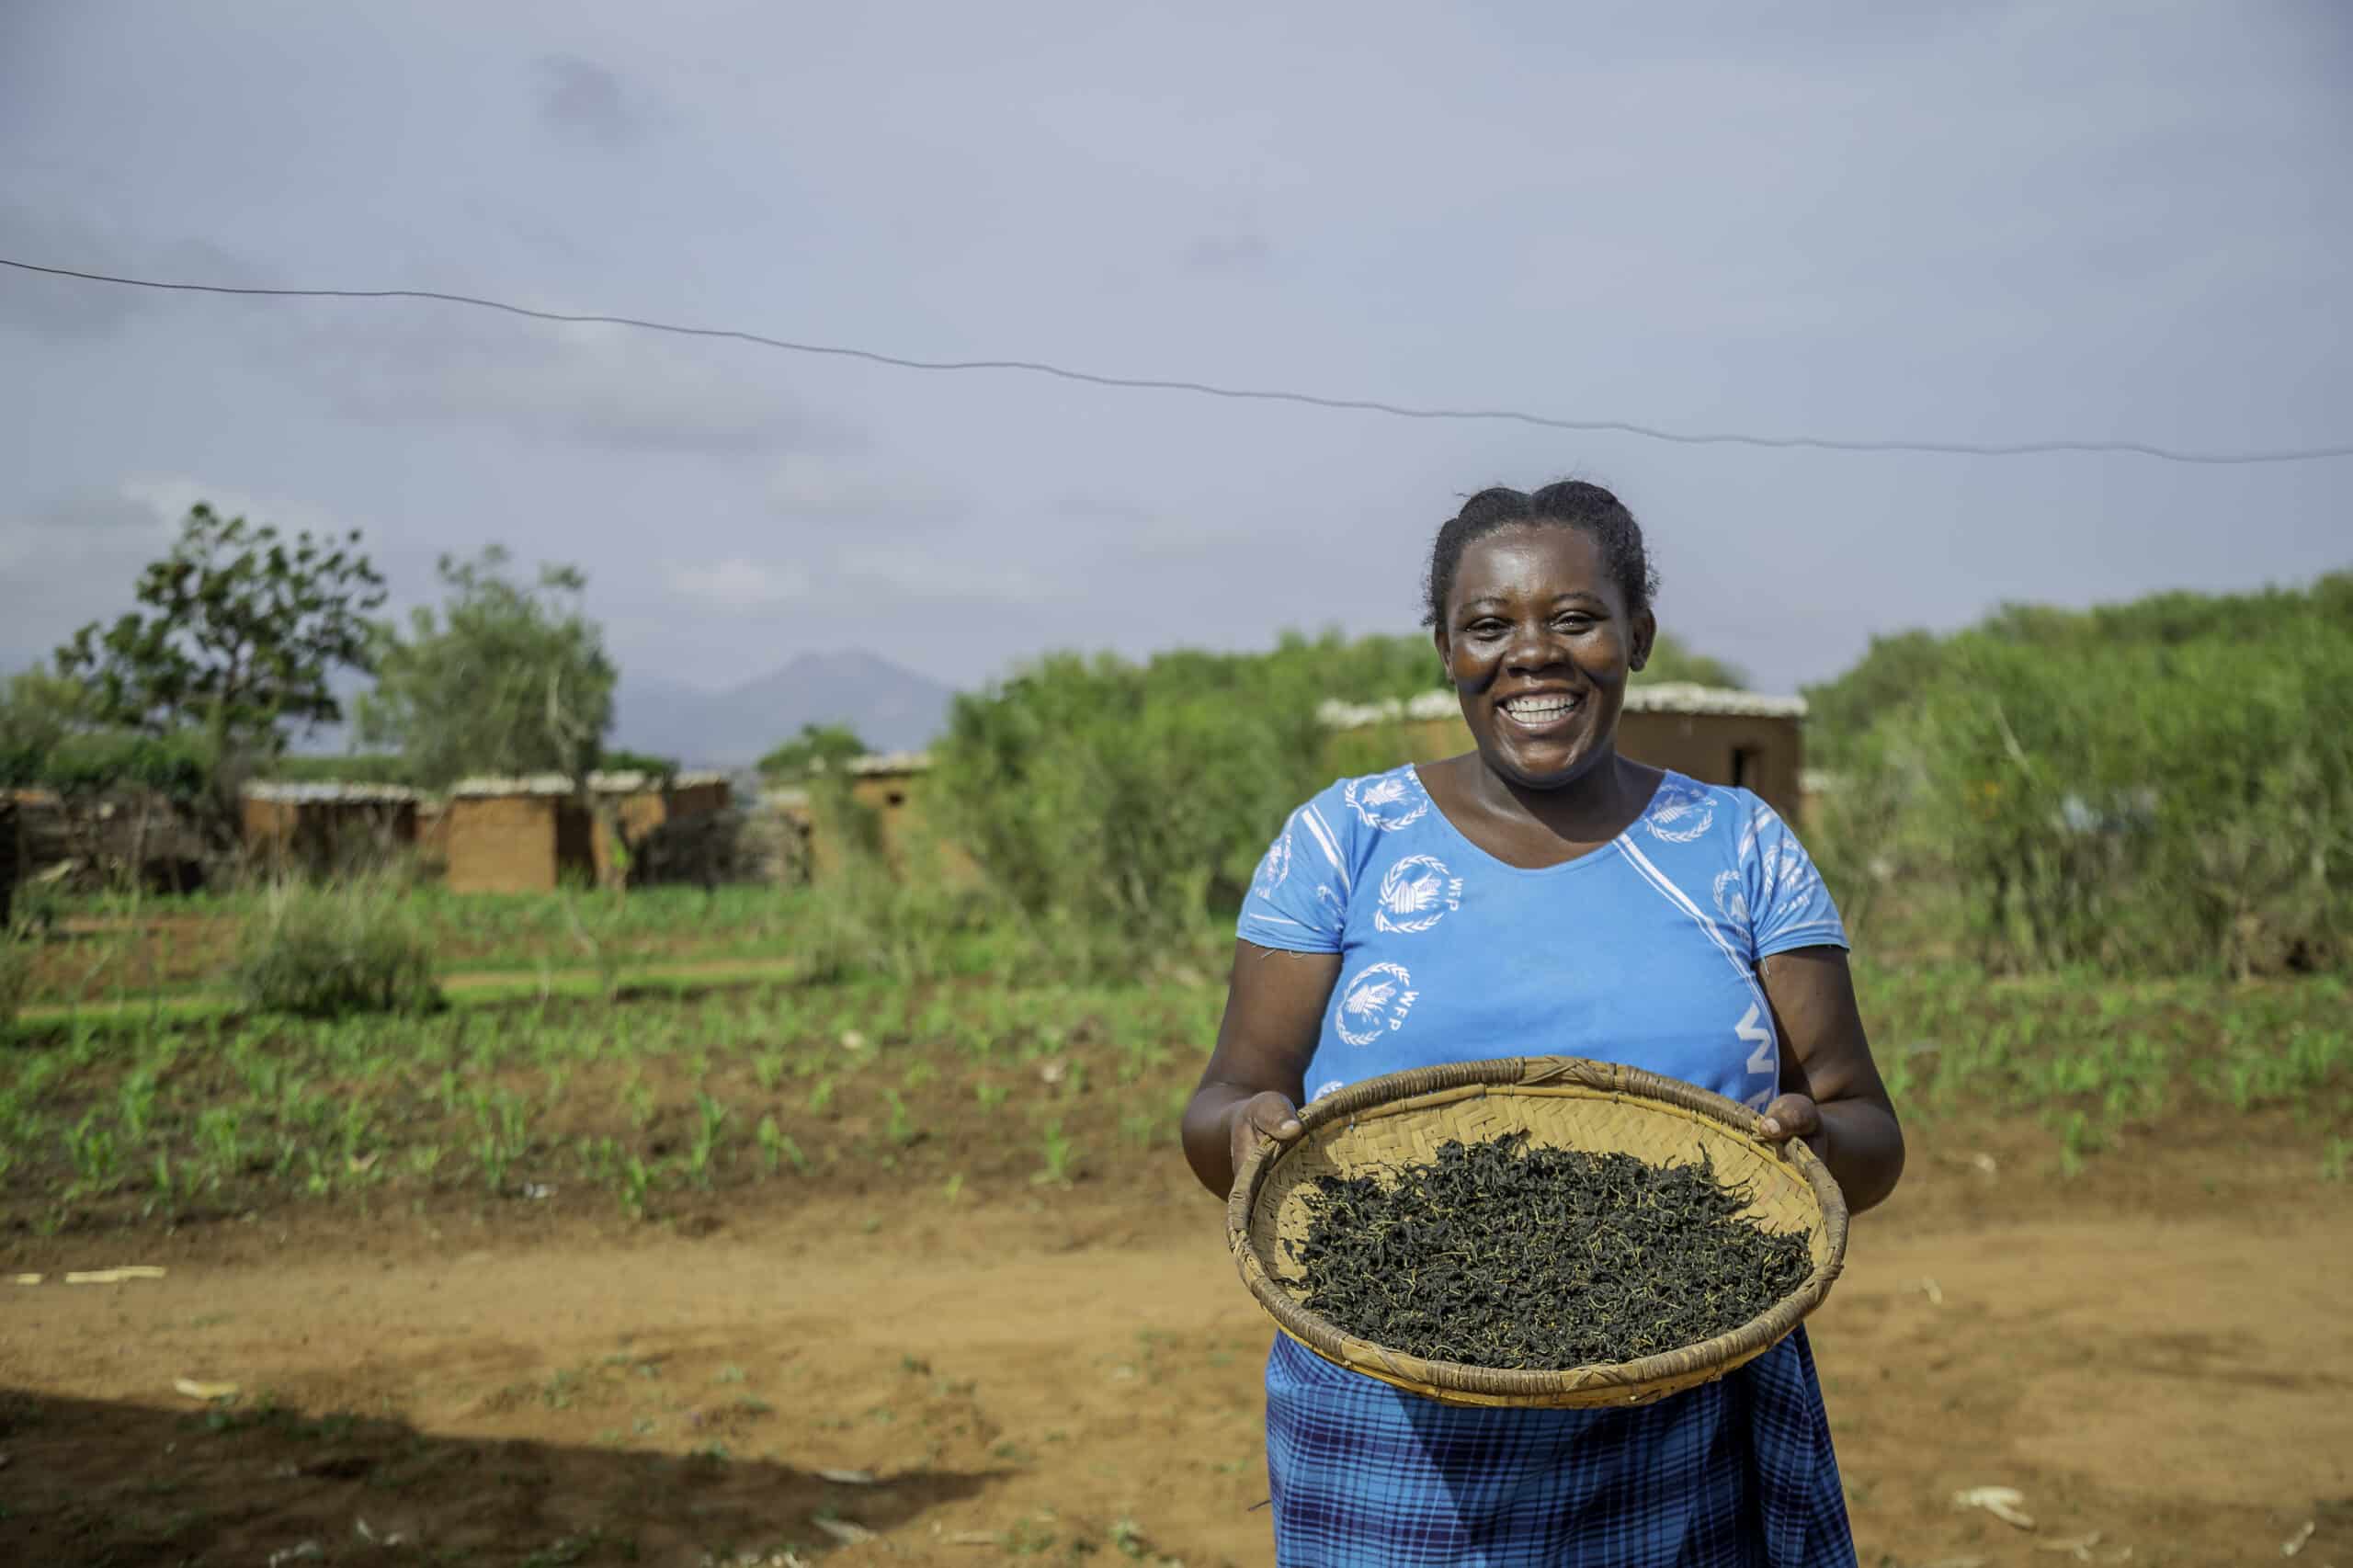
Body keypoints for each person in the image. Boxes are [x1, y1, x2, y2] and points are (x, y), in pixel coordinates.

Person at [1180, 480, 1904, 1568]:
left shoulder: (1738, 844)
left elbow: (1865, 1124)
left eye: (1574, 618)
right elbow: (1223, 1096)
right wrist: (1249, 1130)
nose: (1533, 654)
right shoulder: (1345, 839)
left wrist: (1811, 1141)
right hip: (1389, 1421)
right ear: (1445, 649)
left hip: (1681, 1399)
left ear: (1636, 636)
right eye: (1489, 625)